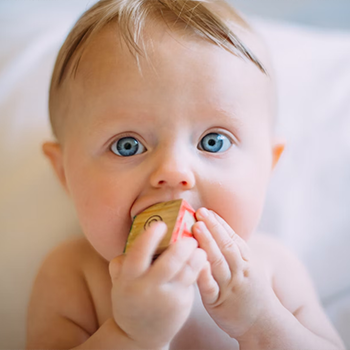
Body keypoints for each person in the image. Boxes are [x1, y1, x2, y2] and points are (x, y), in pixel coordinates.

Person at [26, 0, 345, 349]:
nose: (174, 172)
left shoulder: (272, 269)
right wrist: (130, 335)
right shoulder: (73, 276)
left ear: (268, 166)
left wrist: (262, 322)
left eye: (214, 141)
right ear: (64, 173)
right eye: (127, 145)